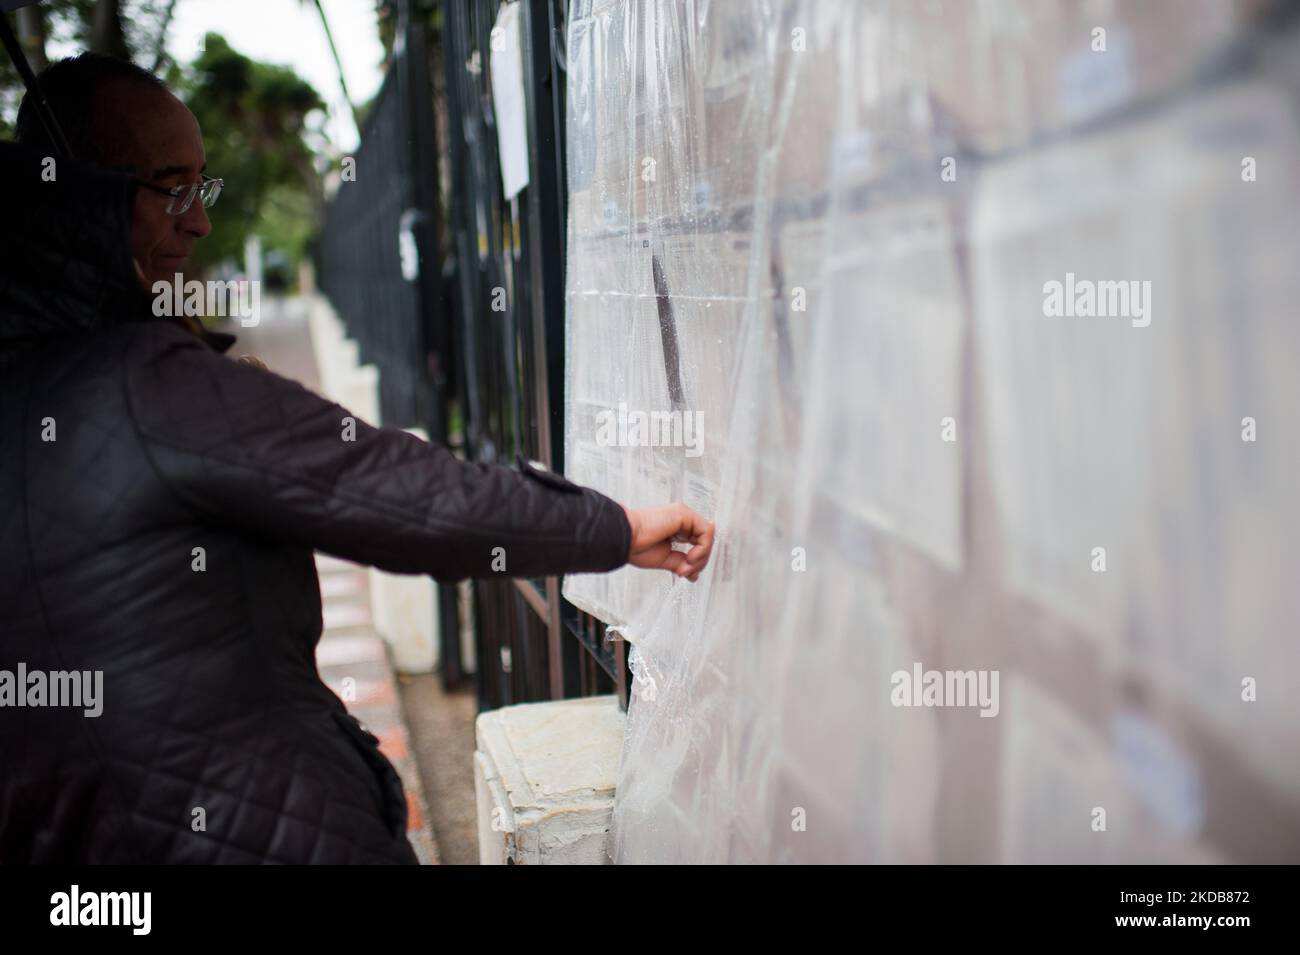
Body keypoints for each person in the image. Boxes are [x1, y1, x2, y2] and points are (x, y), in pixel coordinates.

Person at [0, 53, 714, 864]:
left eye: (204, 186)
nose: (198, 221)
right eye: (172, 187)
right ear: (84, 193)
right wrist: (613, 527)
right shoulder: (146, 385)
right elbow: (402, 494)